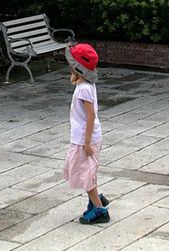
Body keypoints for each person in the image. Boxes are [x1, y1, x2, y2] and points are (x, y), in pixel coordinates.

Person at [63, 42, 110, 224]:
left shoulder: (84, 89)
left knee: (85, 175)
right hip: (82, 138)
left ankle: (99, 210)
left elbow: (91, 116)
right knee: (86, 173)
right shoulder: (84, 84)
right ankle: (95, 201)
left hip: (85, 140)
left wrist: (87, 143)